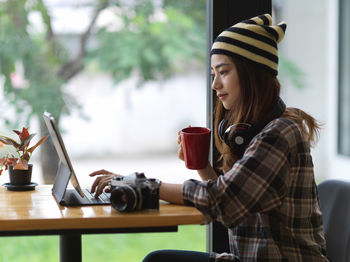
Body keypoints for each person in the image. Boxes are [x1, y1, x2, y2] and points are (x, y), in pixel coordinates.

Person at [89, 14, 328, 262]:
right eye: (213, 73)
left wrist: (147, 185)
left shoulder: (279, 134)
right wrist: (203, 167)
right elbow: (233, 197)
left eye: (223, 72)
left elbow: (226, 202)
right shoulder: (259, 131)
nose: (215, 84)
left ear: (252, 73)